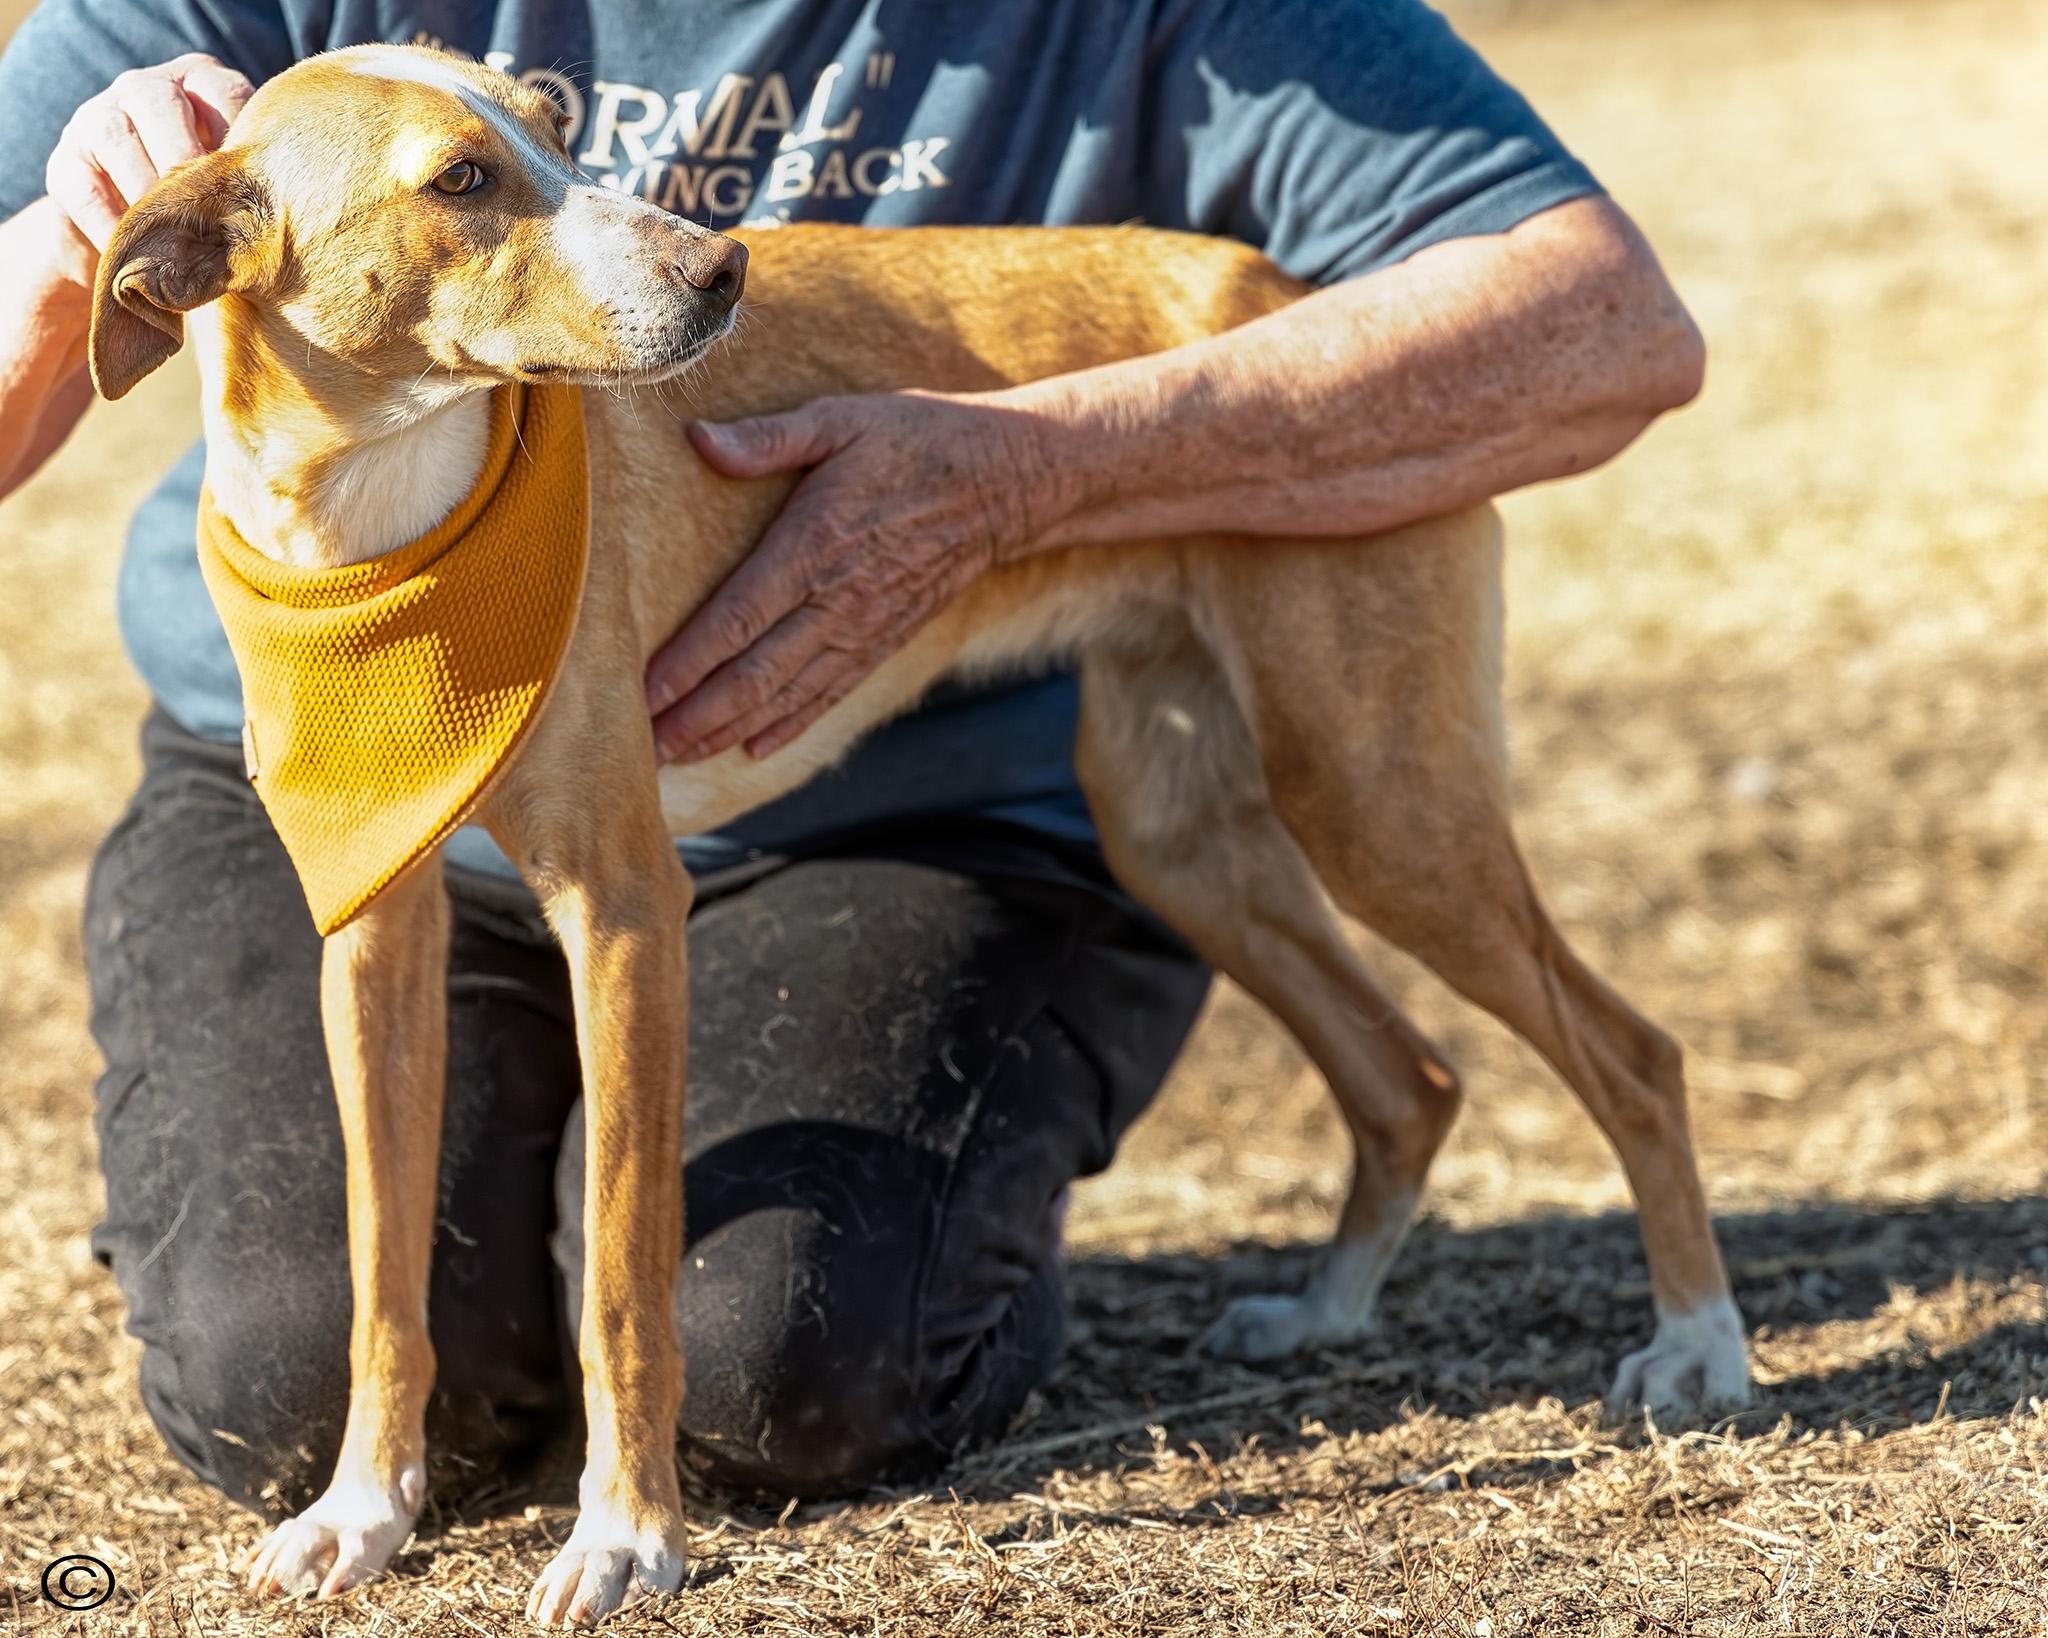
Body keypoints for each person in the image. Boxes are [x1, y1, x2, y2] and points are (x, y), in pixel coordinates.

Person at [0, 1, 1704, 1512]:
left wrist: (1040, 468)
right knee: (279, 1374)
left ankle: (1661, 1232)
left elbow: (1620, 326)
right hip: (309, 772)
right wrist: (72, 246)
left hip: (912, 804)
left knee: (781, 1361)